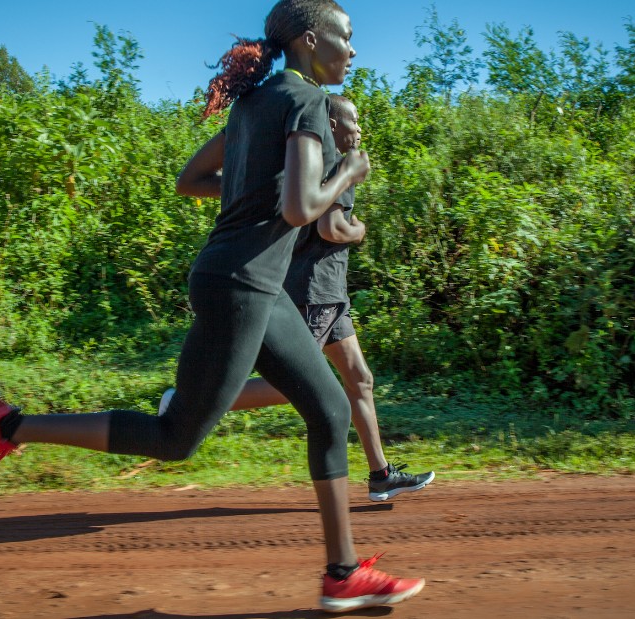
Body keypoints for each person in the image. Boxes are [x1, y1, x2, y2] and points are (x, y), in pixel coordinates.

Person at [0, 0, 424, 612]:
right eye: (346, 37)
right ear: (309, 39)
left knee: (330, 408)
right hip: (241, 285)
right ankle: (8, 426)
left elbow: (190, 178)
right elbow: (305, 210)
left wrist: (257, 189)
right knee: (176, 439)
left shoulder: (255, 104)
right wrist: (349, 172)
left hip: (252, 283)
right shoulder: (304, 102)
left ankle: (342, 574)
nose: (353, 50)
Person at [158, 94, 434, 503]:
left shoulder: (308, 166)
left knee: (359, 378)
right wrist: (359, 231)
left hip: (328, 292)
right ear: (333, 125)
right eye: (353, 122)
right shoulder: (338, 166)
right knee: (296, 385)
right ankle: (188, 403)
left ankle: (380, 475)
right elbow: (330, 228)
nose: (359, 130)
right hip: (312, 290)